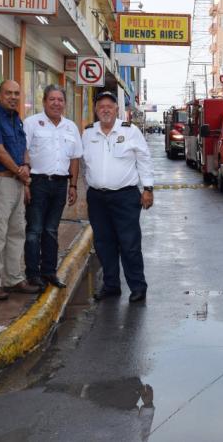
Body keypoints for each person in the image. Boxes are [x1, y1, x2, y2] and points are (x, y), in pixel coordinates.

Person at [82, 91, 154, 302]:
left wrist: (148, 189)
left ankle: (138, 287)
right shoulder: (88, 133)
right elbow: (84, 163)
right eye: (101, 106)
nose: (105, 109)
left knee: (130, 244)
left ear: (116, 110)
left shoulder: (130, 131)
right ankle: (111, 285)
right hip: (97, 198)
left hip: (125, 197)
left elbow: (144, 159)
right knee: (104, 244)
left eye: (110, 106)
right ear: (96, 110)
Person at [0, 80, 41, 300]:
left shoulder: (17, 119)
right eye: (9, 93)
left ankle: (13, 278)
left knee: (17, 232)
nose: (13, 97)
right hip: (0, 182)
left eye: (17, 93)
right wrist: (19, 171)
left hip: (16, 181)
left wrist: (25, 171)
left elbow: (23, 148)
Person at [23, 85, 83, 289]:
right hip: (37, 182)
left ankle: (49, 272)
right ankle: (32, 273)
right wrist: (26, 183)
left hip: (60, 184)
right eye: (52, 99)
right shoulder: (31, 123)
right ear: (44, 101)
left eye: (60, 100)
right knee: (34, 230)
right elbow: (23, 153)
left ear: (64, 104)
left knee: (51, 230)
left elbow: (75, 158)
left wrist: (73, 185)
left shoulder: (71, 127)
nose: (57, 103)